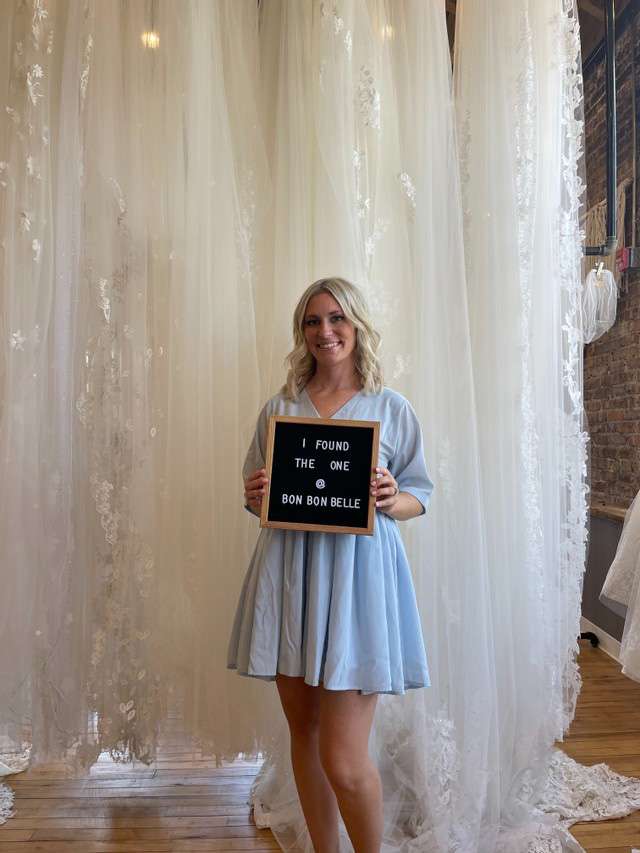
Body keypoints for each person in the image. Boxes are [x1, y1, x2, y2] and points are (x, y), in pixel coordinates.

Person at [227, 277, 433, 853]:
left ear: (357, 326)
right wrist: (256, 492)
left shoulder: (391, 409)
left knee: (343, 759)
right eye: (313, 322)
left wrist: (394, 498)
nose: (325, 331)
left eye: (337, 319)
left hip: (358, 587)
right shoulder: (281, 408)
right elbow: (256, 497)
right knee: (306, 735)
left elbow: (421, 493)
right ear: (303, 333)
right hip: (291, 577)